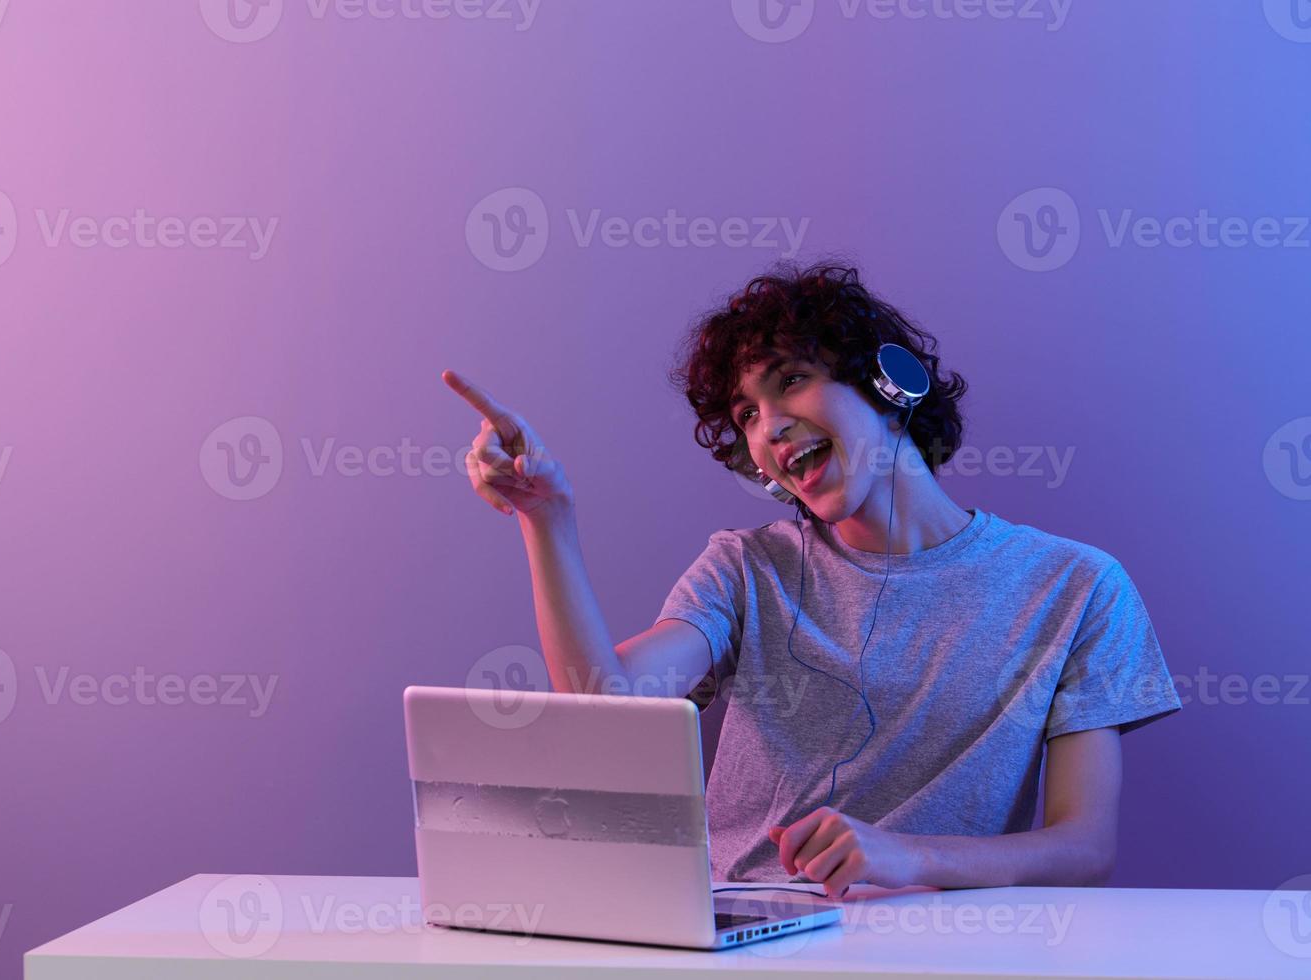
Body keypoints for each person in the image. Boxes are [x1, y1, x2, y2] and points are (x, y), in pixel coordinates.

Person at [441, 260, 1182, 896]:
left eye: (790, 382)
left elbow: (1085, 849)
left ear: (891, 386)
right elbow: (601, 706)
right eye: (747, 416)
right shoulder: (744, 568)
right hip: (732, 940)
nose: (767, 430)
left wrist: (907, 857)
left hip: (938, 946)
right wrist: (548, 521)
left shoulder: (1076, 587)